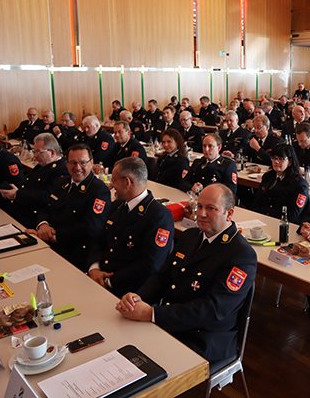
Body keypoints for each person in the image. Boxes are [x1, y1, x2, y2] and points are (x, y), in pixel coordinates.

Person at [116, 184, 257, 366]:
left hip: (203, 337)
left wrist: (152, 314)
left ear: (229, 214)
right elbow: (162, 277)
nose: (201, 214)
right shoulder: (191, 236)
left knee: (136, 365)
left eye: (211, 208)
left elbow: (212, 310)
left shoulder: (241, 254)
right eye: (199, 206)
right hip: (172, 322)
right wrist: (137, 298)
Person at [88, 157, 174, 297]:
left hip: (127, 291)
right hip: (99, 280)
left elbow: (149, 265)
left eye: (114, 180)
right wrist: (94, 268)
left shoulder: (159, 216)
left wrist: (109, 281)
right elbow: (100, 240)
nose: (111, 185)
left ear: (127, 182)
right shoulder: (117, 206)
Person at [31, 143, 111, 270]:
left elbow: (90, 229)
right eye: (73, 162)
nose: (77, 167)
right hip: (49, 244)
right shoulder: (61, 183)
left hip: (74, 253)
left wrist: (53, 236)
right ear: (66, 163)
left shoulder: (99, 190)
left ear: (91, 163)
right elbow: (46, 208)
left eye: (83, 163)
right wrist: (43, 225)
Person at [0, 133, 68, 229]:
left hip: (33, 217)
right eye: (34, 151)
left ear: (52, 152)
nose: (35, 155)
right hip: (20, 210)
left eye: (38, 152)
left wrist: (17, 194)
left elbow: (47, 197)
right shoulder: (44, 164)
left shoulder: (62, 170)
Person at [250, 144, 309, 224]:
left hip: (284, 224)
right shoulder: (268, 177)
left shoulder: (299, 184)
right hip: (263, 220)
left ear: (290, 162)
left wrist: (268, 217)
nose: (276, 161)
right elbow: (257, 202)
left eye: (281, 159)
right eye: (274, 158)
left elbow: (292, 215)